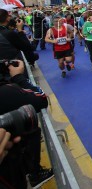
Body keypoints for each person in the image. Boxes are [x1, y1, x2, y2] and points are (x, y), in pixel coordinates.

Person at [0, 60, 53, 188]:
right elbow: (41, 98)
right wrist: (19, 78)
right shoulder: (6, 92)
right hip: (11, 171)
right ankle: (35, 173)